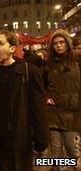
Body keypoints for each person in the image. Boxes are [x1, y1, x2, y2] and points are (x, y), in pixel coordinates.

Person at [0, 29, 49, 170]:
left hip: (18, 136)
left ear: (12, 48)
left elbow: (38, 108)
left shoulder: (28, 71)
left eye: (1, 43)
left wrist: (42, 138)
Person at [43, 29, 81, 170]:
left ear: (67, 43)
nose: (58, 45)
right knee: (56, 153)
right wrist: (46, 97)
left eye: (61, 42)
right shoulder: (48, 65)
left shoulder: (78, 62)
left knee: (72, 149)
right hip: (54, 114)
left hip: (73, 114)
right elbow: (43, 86)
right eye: (55, 43)